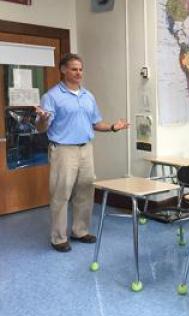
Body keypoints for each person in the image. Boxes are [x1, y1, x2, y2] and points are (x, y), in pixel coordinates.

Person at [35, 53, 129, 252]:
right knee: (61, 194)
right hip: (63, 150)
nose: (78, 73)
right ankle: (58, 238)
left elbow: (96, 123)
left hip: (86, 149)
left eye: (80, 69)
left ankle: (80, 231)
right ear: (63, 70)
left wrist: (113, 126)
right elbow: (42, 128)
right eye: (73, 69)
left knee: (86, 191)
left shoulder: (88, 96)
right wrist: (42, 118)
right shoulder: (52, 96)